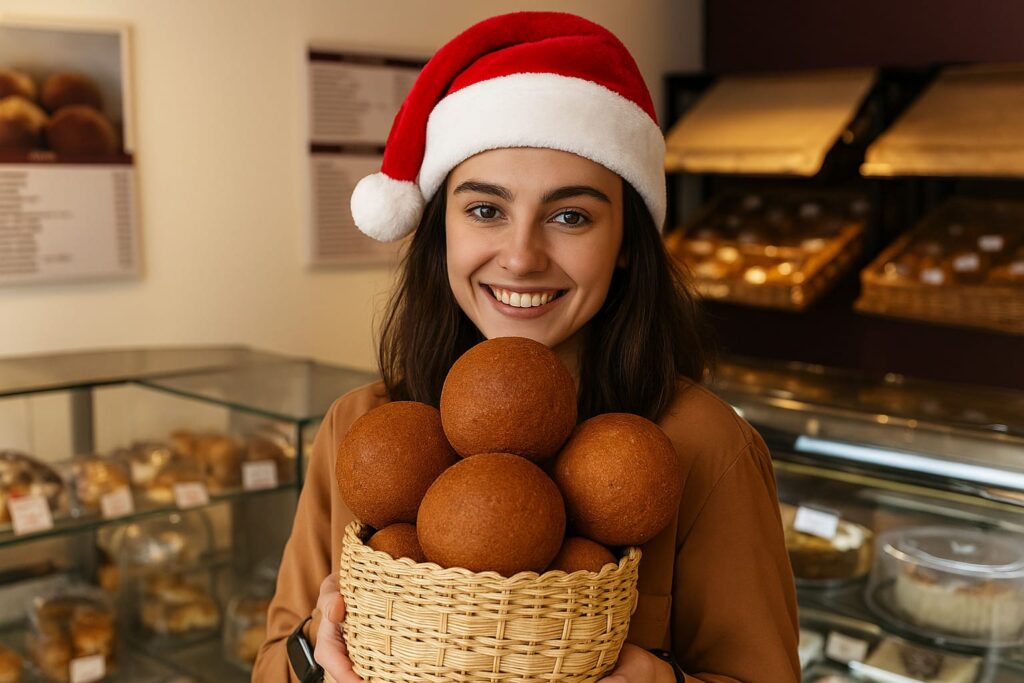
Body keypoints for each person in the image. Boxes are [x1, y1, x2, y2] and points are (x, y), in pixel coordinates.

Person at [254, 11, 799, 683]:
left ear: (626, 242)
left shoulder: (704, 449)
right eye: (486, 210)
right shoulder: (360, 428)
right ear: (440, 231)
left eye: (570, 216)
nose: (520, 256)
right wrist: (315, 656)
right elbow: (274, 658)